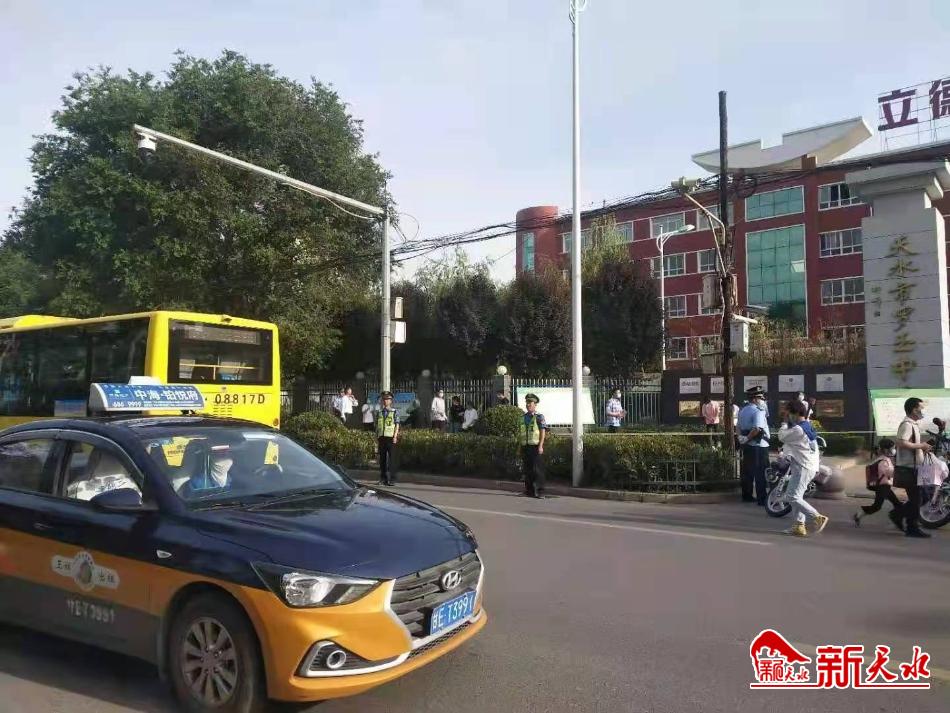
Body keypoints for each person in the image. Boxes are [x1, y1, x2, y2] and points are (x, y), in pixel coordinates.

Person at [777, 400, 829, 537]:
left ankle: (817, 517)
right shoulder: (807, 425)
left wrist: (784, 423)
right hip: (807, 466)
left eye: (788, 413)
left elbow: (782, 436)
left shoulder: (798, 430)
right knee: (796, 496)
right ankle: (799, 526)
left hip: (803, 467)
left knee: (792, 497)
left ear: (794, 413)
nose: (787, 416)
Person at [894, 397, 932, 538]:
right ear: (914, 410)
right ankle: (911, 527)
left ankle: (898, 515)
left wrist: (923, 448)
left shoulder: (914, 424)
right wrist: (921, 446)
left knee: (922, 497)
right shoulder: (907, 424)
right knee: (917, 499)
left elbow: (911, 443)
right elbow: (901, 442)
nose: (923, 411)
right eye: (921, 408)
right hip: (909, 467)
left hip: (916, 467)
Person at [854, 438, 903, 530]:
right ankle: (859, 514)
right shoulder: (883, 461)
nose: (894, 450)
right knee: (877, 506)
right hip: (882, 486)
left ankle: (898, 522)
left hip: (885, 486)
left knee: (896, 504)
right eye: (892, 448)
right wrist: (900, 469)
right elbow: (890, 473)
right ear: (886, 450)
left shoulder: (884, 459)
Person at [737, 386, 770, 505]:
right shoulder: (758, 411)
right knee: (761, 472)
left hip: (747, 445)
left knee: (748, 472)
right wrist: (748, 438)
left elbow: (738, 426)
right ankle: (762, 499)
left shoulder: (743, 410)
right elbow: (757, 429)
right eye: (761, 398)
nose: (763, 400)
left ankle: (747, 496)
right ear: (755, 399)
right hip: (759, 445)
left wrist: (741, 438)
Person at [520, 393, 548, 498]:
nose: (528, 405)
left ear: (535, 404)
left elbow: (542, 431)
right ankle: (529, 491)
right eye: (527, 403)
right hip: (525, 446)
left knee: (537, 470)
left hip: (535, 446)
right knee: (527, 469)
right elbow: (521, 433)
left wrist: (541, 445)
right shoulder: (523, 417)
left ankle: (540, 491)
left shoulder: (539, 417)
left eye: (530, 403)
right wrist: (520, 446)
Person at [375, 391, 400, 486]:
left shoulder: (394, 412)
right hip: (381, 437)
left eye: (387, 399)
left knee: (392, 459)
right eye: (384, 399)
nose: (385, 401)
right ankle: (383, 478)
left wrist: (395, 436)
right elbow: (377, 426)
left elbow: (397, 424)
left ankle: (392, 479)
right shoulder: (379, 412)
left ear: (391, 401)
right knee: (382, 459)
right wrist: (376, 437)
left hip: (391, 438)